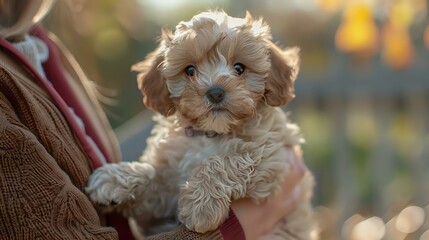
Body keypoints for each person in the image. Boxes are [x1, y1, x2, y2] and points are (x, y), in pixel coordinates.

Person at [0, 0, 307, 239]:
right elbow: (156, 204)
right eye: (190, 71)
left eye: (239, 69)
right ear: (163, 81)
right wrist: (138, 183)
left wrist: (217, 176)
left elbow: (279, 170)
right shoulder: (173, 139)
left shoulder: (264, 133)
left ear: (271, 77)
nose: (215, 88)